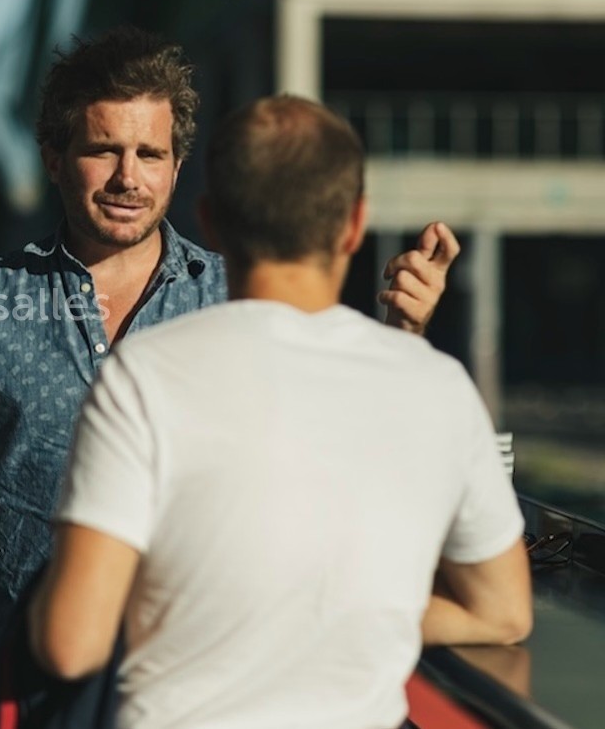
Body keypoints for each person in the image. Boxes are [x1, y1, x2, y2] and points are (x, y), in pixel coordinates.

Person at [0, 27, 457, 724]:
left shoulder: (241, 297)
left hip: (200, 702)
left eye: (151, 154)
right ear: (54, 159)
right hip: (22, 700)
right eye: (105, 150)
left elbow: (342, 461)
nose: (130, 177)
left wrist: (404, 333)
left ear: (177, 169)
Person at [28, 96, 531, 729]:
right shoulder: (439, 384)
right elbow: (505, 613)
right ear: (354, 225)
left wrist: (191, 603)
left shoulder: (145, 376)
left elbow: (71, 643)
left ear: (210, 223)